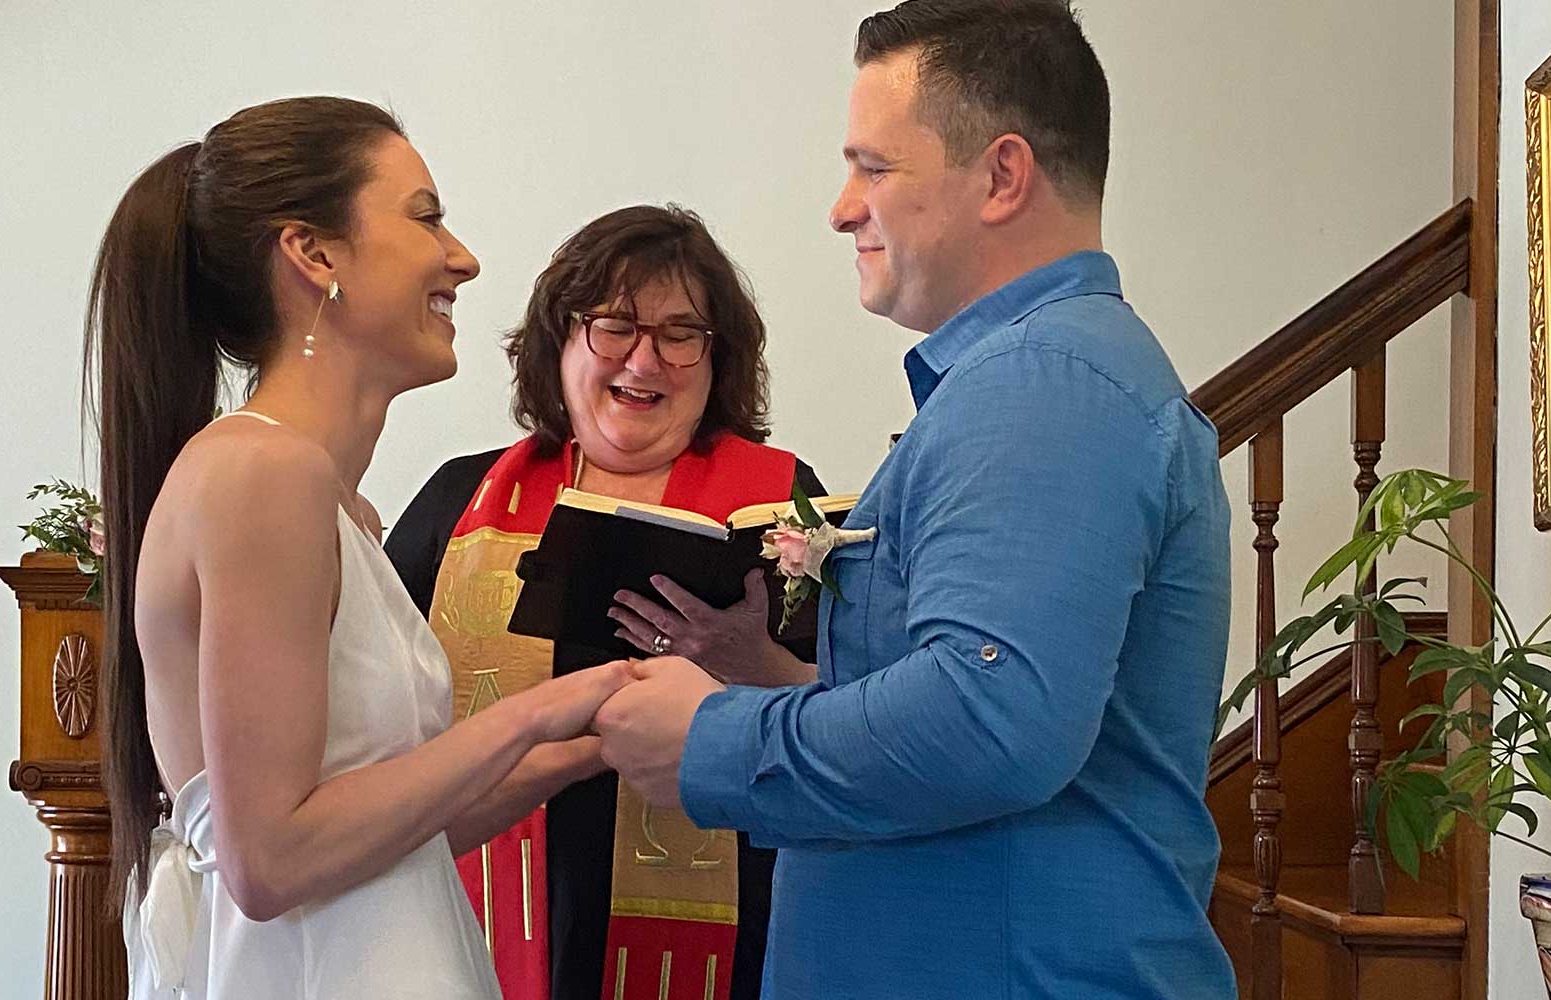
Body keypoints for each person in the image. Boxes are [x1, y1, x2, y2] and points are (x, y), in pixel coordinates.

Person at [590, 3, 1237, 998]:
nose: (844, 207)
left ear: (1002, 175)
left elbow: (992, 720)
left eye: (874, 167)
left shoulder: (1044, 383)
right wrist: (764, 674)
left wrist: (714, 741)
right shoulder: (1040, 379)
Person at [88, 96, 630, 1000]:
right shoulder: (261, 475)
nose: (462, 256)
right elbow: (269, 860)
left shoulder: (330, 499)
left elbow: (382, 836)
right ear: (313, 253)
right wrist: (529, 713)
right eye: (425, 217)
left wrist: (591, 737)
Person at [386, 204, 823, 1000]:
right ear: (559, 340)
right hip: (481, 908)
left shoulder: (783, 510)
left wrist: (752, 663)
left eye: (681, 332)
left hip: (738, 928)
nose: (645, 359)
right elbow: (376, 713)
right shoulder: (458, 503)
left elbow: (852, 712)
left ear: (717, 357)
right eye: (615, 325)